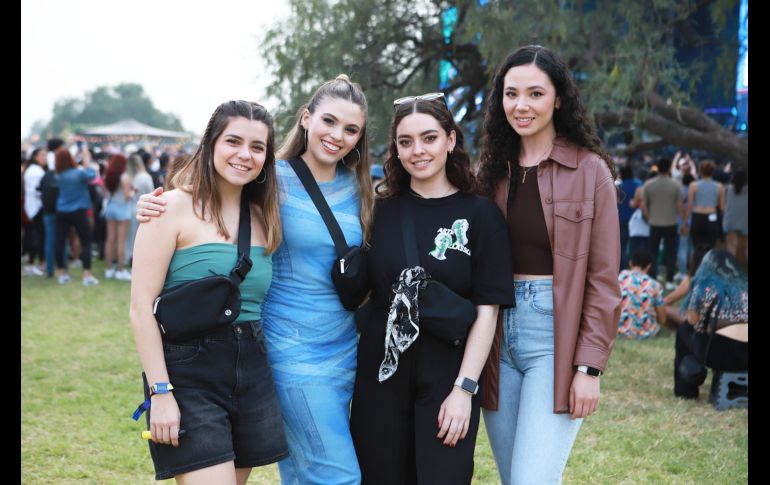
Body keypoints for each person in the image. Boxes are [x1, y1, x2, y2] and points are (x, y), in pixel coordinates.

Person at [136, 75, 373, 484]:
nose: (338, 135)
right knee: (337, 475)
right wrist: (160, 392)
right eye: (329, 122)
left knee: (303, 474)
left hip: (289, 361)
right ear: (306, 118)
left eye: (351, 129)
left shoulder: (341, 193)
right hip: (247, 360)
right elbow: (143, 305)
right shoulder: (242, 189)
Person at [349, 93, 514, 484]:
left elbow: (487, 312)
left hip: (447, 377)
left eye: (429, 138)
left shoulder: (481, 214)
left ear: (451, 140)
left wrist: (464, 390)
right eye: (405, 142)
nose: (417, 151)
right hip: (381, 376)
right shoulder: (378, 210)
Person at [475, 45, 621, 485]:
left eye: (535, 94)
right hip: (494, 334)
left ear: (558, 99)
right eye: (511, 93)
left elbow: (603, 279)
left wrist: (589, 367)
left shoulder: (591, 170)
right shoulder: (490, 172)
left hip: (554, 336)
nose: (521, 105)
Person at [129, 100, 288, 483]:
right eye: (233, 141)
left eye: (257, 147)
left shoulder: (266, 217)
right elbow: (140, 309)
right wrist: (161, 393)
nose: (244, 155)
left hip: (251, 367)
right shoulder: (167, 208)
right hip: (187, 371)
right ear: (211, 144)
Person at [673, 249, 747, 400]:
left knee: (684, 331)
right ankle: (735, 389)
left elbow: (693, 322)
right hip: (745, 355)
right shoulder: (744, 288)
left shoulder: (703, 287)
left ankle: (686, 390)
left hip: (717, 355)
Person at [52, 145, 100, 286]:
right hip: (79, 210)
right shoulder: (78, 173)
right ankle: (87, 274)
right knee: (86, 241)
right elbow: (92, 175)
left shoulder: (58, 175)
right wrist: (86, 160)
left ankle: (62, 273)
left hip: (62, 211)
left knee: (60, 242)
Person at [641, 157, 685, 290]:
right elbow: (679, 206)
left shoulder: (649, 184)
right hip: (671, 223)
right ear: (668, 169)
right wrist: (683, 222)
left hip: (654, 223)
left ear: (658, 168)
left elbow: (643, 205)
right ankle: (670, 280)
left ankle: (653, 277)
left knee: (653, 252)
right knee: (671, 252)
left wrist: (649, 218)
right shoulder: (676, 185)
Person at [617, 250, 666, 340]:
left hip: (618, 332)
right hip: (646, 334)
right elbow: (662, 319)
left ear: (630, 263)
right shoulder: (655, 285)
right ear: (648, 266)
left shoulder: (619, 279)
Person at [102, 154, 134, 280]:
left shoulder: (108, 176)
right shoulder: (125, 177)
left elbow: (105, 193)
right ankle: (120, 270)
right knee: (121, 240)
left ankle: (109, 269)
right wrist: (132, 192)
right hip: (122, 209)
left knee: (110, 239)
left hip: (111, 207)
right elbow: (127, 196)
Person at [684, 159, 725, 253]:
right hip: (712, 216)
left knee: (697, 247)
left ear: (700, 171)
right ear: (713, 171)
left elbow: (689, 206)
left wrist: (685, 222)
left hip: (697, 216)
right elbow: (722, 207)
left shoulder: (693, 185)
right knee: (711, 247)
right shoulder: (719, 186)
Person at [722, 166, 747, 268]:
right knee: (745, 246)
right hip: (745, 221)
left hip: (730, 219)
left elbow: (723, 205)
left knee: (731, 245)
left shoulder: (727, 188)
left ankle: (730, 267)